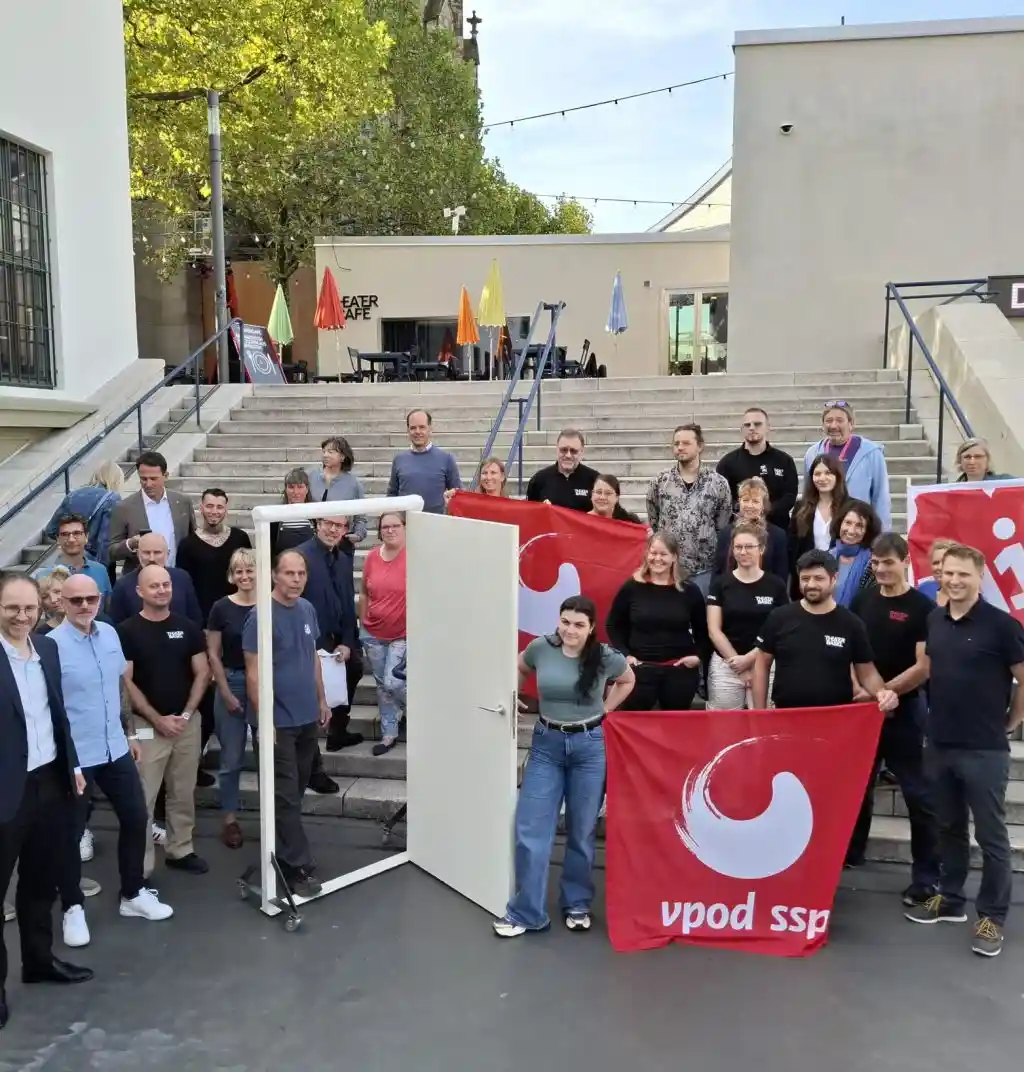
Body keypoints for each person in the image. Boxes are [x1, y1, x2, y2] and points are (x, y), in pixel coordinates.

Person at [905, 544, 1024, 958]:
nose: (954, 580)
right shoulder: (934, 619)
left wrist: (1012, 721)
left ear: (980, 577)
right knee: (949, 828)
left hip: (984, 749)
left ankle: (992, 917)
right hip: (940, 743)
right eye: (949, 573)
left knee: (991, 837)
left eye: (963, 574)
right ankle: (951, 900)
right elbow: (928, 670)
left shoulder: (1002, 626)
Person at [493, 596, 634, 938]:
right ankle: (527, 912)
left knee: (582, 830)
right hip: (547, 745)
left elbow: (627, 680)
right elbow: (520, 667)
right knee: (531, 828)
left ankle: (577, 903)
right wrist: (514, 694)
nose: (570, 630)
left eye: (579, 625)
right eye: (565, 622)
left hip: (589, 747)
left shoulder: (604, 656)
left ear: (591, 628)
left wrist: (606, 710)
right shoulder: (541, 647)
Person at [50, 575, 173, 949]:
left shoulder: (109, 634)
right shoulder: (52, 646)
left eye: (91, 599)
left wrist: (130, 733)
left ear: (100, 600)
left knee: (136, 818)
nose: (84, 606)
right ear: (62, 603)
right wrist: (66, 761)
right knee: (71, 833)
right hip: (77, 754)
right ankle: (72, 907)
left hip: (114, 747)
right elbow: (52, 707)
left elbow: (119, 687)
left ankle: (132, 894)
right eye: (76, 600)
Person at [0, 572, 92, 1031]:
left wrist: (72, 765)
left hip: (50, 784)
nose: (22, 617)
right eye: (11, 608)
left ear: (41, 609)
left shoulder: (47, 650)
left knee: (41, 885)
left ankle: (38, 961)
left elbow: (58, 716)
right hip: (5, 790)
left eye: (29, 608)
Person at [847, 534, 939, 897]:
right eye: (875, 563)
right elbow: (851, 651)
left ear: (905, 561)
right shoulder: (863, 600)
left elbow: (923, 666)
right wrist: (861, 688)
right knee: (857, 785)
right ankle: (851, 853)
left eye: (888, 562)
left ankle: (926, 876)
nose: (881, 569)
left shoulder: (921, 607)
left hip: (906, 711)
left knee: (917, 794)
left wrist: (886, 693)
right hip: (863, 710)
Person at [243, 550, 333, 898]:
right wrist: (265, 721)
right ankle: (298, 865)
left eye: (301, 573)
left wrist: (322, 700)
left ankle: (282, 850)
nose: (296, 579)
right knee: (284, 795)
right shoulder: (260, 616)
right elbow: (253, 673)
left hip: (306, 716)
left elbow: (313, 657)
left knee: (293, 792)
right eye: (289, 573)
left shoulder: (307, 609)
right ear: (274, 576)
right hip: (277, 722)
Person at [118, 565, 210, 877]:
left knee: (182, 792)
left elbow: (203, 672)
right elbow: (125, 682)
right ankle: (140, 869)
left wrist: (185, 715)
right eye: (154, 585)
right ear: (139, 591)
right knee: (143, 799)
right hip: (147, 727)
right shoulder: (127, 631)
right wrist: (157, 719)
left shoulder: (188, 627)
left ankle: (180, 849)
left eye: (166, 584)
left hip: (186, 725)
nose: (161, 590)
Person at [752, 549, 898, 714]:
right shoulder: (779, 618)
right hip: (786, 716)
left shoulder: (851, 624)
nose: (811, 584)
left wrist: (882, 693)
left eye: (818, 578)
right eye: (805, 579)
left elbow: (867, 673)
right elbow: (762, 665)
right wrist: (759, 713)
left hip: (835, 718)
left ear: (834, 578)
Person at [606, 532, 709, 711]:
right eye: (653, 553)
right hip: (639, 671)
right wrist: (625, 655)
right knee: (636, 723)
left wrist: (697, 657)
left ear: (674, 557)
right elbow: (613, 625)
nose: (657, 559)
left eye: (663, 554)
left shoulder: (689, 590)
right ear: (647, 554)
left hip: (679, 673)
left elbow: (703, 630)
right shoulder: (632, 587)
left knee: (675, 723)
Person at [296, 517, 364, 757]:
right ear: (318, 524)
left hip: (340, 637)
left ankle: (338, 730)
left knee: (354, 669)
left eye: (340, 525)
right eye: (329, 524)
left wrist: (347, 642)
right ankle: (311, 756)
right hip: (312, 639)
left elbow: (347, 602)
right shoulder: (300, 557)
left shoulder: (344, 559)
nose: (333, 530)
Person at [707, 522, 789, 710]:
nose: (743, 552)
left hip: (765, 663)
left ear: (761, 549)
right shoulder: (720, 584)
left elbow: (780, 629)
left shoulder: (776, 585)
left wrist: (750, 659)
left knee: (765, 723)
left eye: (749, 546)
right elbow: (714, 629)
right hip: (726, 665)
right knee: (724, 724)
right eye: (738, 547)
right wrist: (736, 661)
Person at [206, 548, 258, 849]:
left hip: (263, 683)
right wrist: (224, 691)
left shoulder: (270, 605)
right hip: (233, 681)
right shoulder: (221, 608)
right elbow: (213, 653)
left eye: (250, 570)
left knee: (269, 756)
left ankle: (272, 817)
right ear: (231, 575)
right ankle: (229, 820)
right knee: (231, 759)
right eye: (239, 571)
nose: (245, 576)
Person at [646, 423, 732, 578]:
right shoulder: (660, 481)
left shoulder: (718, 483)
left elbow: (722, 525)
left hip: (704, 569)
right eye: (676, 443)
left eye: (686, 443)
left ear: (700, 446)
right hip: (668, 568)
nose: (680, 447)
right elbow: (654, 519)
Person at [359, 512, 408, 757]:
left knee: (393, 682)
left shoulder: (415, 556)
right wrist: (363, 622)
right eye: (385, 527)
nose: (390, 530)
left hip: (403, 633)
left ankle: (419, 711)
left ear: (405, 527)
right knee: (382, 686)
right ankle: (389, 733)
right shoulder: (371, 557)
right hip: (373, 633)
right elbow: (364, 592)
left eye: (395, 525)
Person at [803, 401, 891, 529]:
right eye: (828, 421)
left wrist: (882, 535)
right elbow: (808, 493)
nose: (833, 425)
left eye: (839, 420)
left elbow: (881, 498)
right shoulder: (812, 453)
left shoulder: (871, 453)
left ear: (851, 424)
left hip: (857, 530)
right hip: (823, 528)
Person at [108, 451, 196, 571]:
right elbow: (111, 551)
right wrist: (130, 544)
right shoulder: (124, 507)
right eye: (143, 479)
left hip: (177, 575)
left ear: (166, 475)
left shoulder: (183, 502)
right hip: (140, 577)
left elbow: (192, 538)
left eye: (153, 479)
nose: (148, 484)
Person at [175, 488, 251, 624]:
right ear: (201, 508)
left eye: (219, 507)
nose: (214, 511)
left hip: (237, 615)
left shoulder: (240, 538)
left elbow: (250, 575)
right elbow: (184, 586)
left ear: (226, 509)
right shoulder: (187, 544)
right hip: (203, 618)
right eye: (209, 506)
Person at [716, 407, 799, 528]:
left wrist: (765, 511)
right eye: (747, 425)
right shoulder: (727, 463)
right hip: (740, 530)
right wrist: (747, 511)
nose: (752, 428)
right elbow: (723, 497)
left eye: (757, 424)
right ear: (741, 429)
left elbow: (790, 495)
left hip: (777, 529)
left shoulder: (784, 461)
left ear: (768, 427)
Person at [43, 460, 124, 571]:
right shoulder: (113, 499)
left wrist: (71, 542)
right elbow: (105, 542)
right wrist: (102, 571)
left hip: (70, 562)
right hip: (94, 564)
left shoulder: (73, 495)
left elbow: (51, 530)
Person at [108, 533, 202, 627]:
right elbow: (116, 626)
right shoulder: (123, 586)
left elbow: (195, 620)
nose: (151, 558)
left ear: (167, 554)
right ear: (138, 554)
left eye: (157, 553)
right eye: (146, 553)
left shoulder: (182, 578)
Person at [788, 454, 849, 593]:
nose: (822, 478)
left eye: (828, 473)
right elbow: (792, 546)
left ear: (837, 476)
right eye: (817, 474)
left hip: (841, 577)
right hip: (809, 578)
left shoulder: (850, 507)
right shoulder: (801, 507)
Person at [712, 477, 789, 581]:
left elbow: (781, 576)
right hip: (730, 588)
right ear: (739, 502)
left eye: (755, 501)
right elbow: (718, 571)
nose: (750, 505)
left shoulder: (778, 536)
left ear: (763, 505)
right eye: (746, 500)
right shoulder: (726, 533)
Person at [386, 409, 461, 513]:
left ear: (430, 429)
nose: (417, 431)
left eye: (422, 427)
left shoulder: (446, 459)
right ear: (408, 431)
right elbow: (391, 495)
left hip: (436, 520)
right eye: (413, 428)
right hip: (406, 521)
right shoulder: (399, 460)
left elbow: (458, 494)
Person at [307, 437, 368, 546]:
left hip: (340, 540)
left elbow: (361, 516)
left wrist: (358, 535)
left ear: (342, 457)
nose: (325, 455)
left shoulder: (353, 483)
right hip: (313, 540)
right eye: (324, 452)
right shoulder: (311, 477)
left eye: (330, 452)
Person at [34, 514, 112, 598]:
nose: (71, 539)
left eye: (77, 533)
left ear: (86, 537)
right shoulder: (43, 576)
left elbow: (108, 604)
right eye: (65, 534)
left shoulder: (100, 571)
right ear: (58, 539)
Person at [525, 428, 599, 511]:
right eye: (563, 450)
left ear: (581, 452)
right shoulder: (539, 480)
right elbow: (530, 513)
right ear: (557, 450)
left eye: (573, 451)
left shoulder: (595, 480)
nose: (568, 455)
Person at [829, 499, 881, 607]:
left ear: (868, 530)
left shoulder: (873, 563)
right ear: (840, 523)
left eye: (859, 525)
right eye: (848, 523)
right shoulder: (827, 557)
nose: (851, 530)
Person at [269, 469, 316, 555]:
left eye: (300, 487)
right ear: (285, 489)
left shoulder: (315, 515)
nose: (295, 492)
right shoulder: (276, 516)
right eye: (291, 487)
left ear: (307, 489)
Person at [917, 537, 956, 604]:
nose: (939, 567)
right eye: (936, 563)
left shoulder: (969, 593)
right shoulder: (924, 589)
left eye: (944, 562)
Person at [34, 568, 70, 635]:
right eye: (45, 597)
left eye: (57, 592)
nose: (53, 600)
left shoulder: (89, 622)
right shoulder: (42, 633)